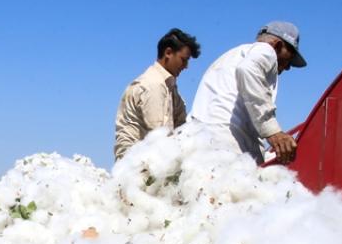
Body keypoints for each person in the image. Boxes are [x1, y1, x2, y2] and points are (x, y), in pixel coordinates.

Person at [190, 21, 306, 164]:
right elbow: (248, 70)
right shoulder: (266, 50)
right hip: (225, 147)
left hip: (200, 143)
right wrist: (273, 131)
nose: (288, 67)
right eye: (289, 59)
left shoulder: (231, 57)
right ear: (277, 45)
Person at [113, 28, 201, 160]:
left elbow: (180, 129)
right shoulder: (153, 85)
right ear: (168, 53)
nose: (186, 66)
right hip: (135, 166)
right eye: (183, 60)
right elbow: (160, 136)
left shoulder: (168, 86)